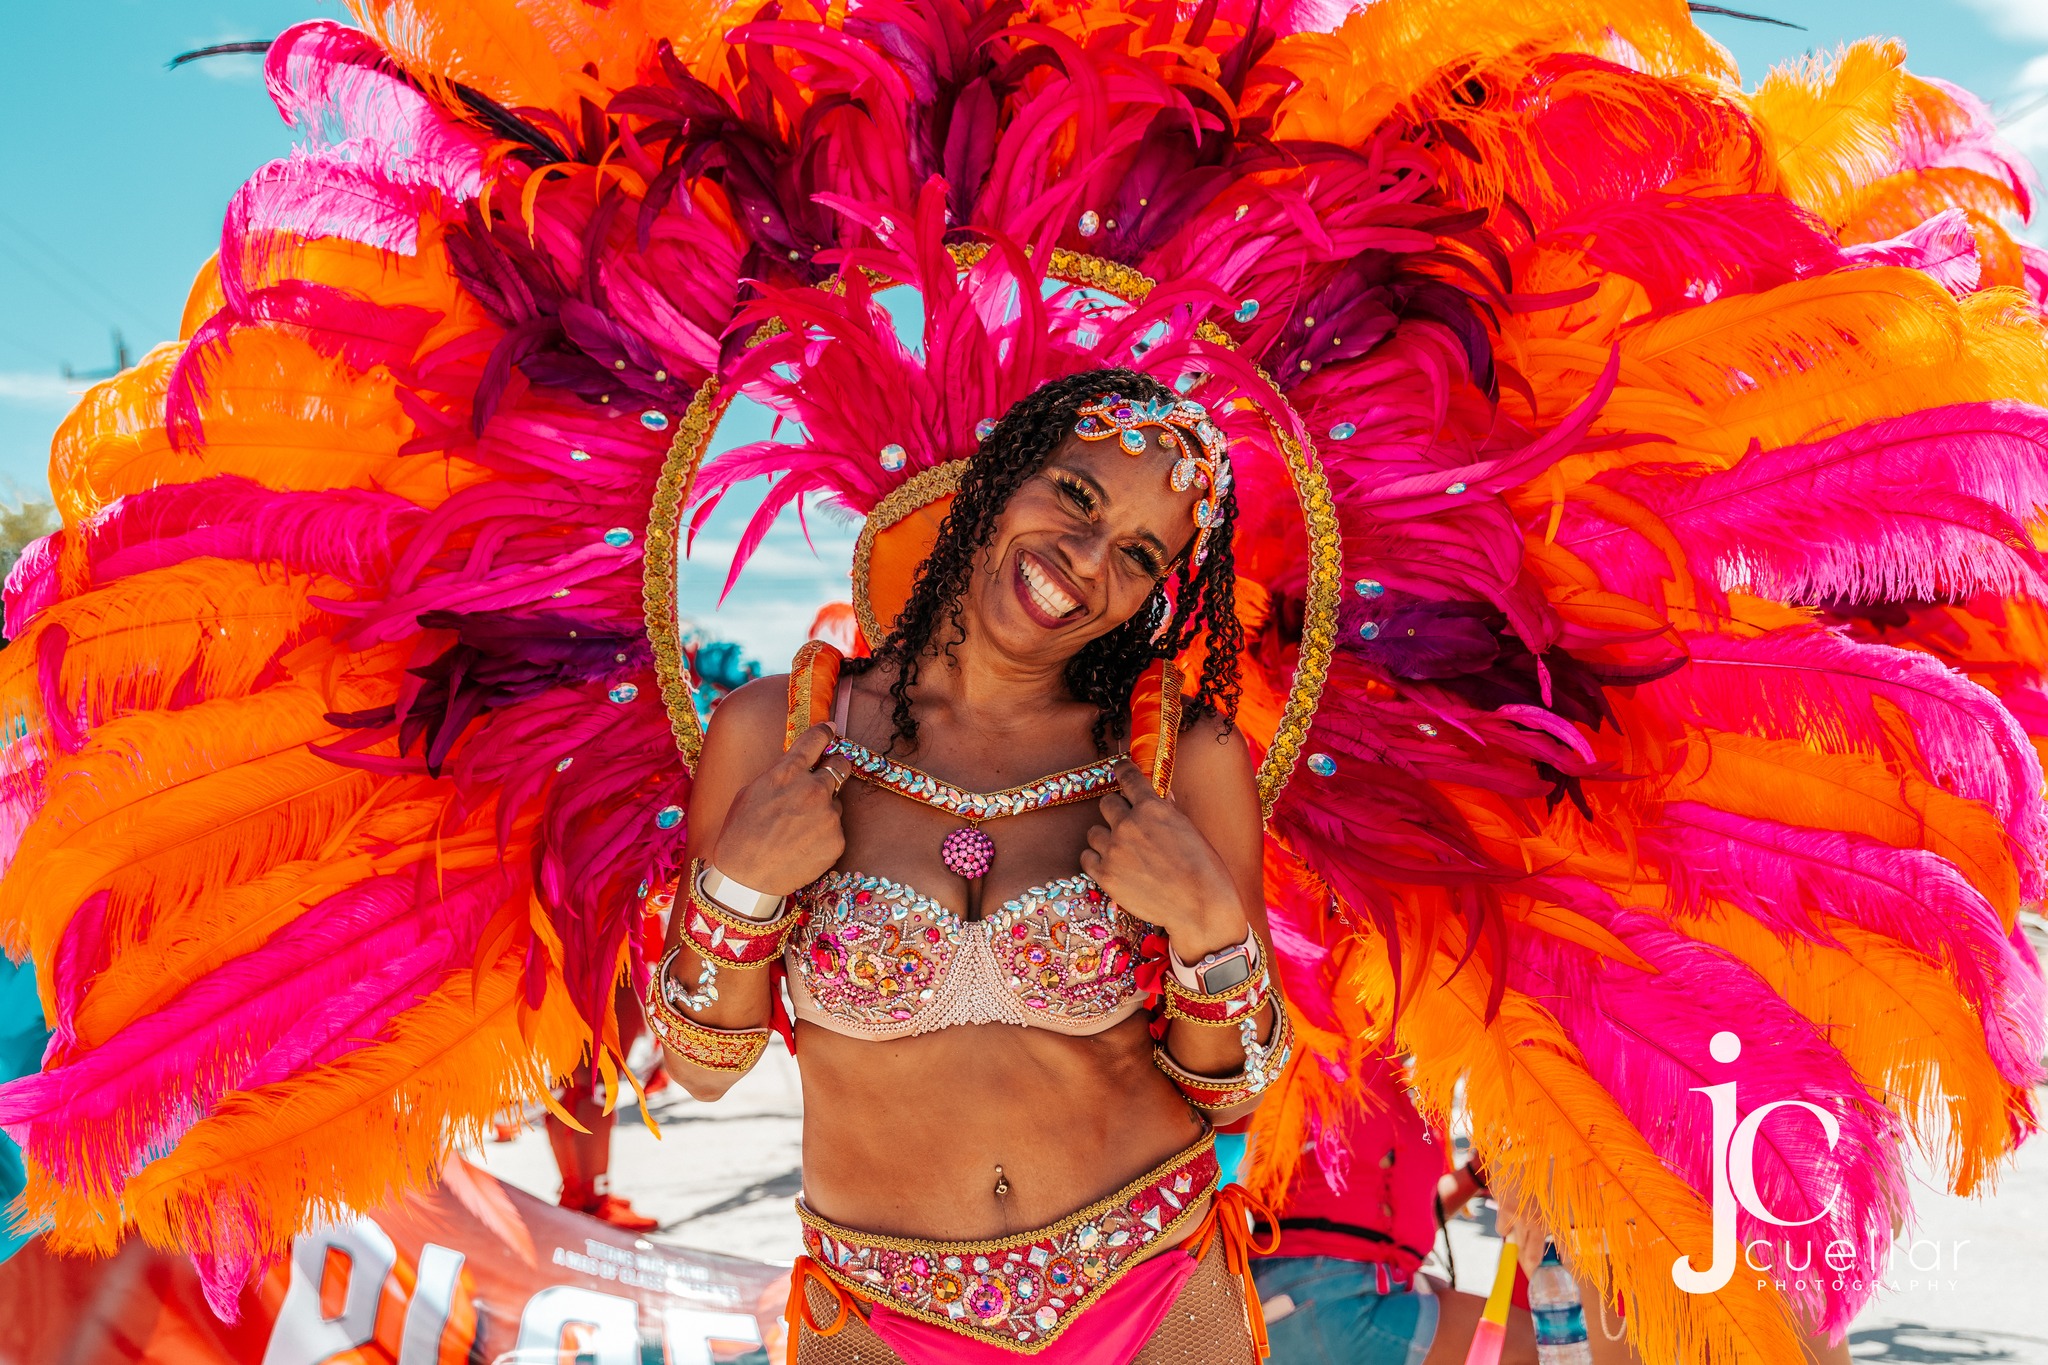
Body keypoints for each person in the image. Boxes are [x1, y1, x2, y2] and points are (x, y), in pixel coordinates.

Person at [650, 371, 1283, 1362]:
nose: (1084, 562)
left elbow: (1231, 1094)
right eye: (1075, 496)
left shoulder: (1175, 756)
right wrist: (741, 884)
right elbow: (701, 1066)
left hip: (1153, 1291)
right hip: (879, 1321)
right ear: (992, 480)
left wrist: (1207, 922)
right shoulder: (774, 732)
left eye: (1137, 554)